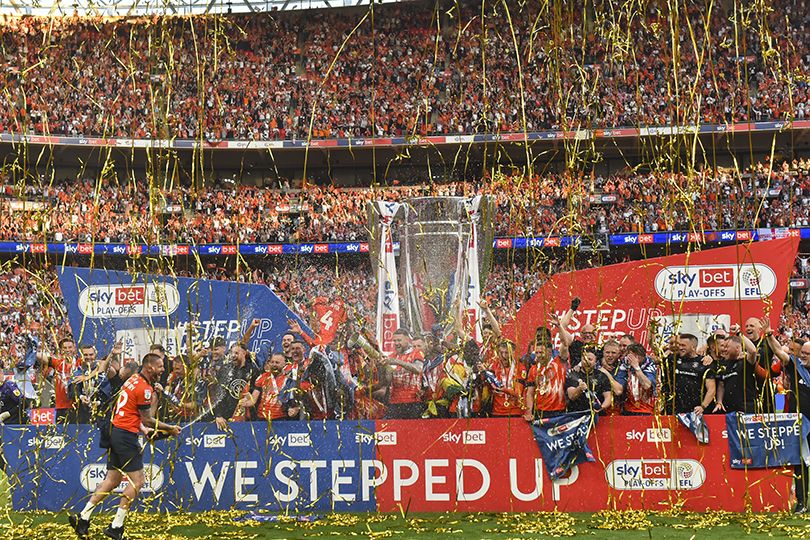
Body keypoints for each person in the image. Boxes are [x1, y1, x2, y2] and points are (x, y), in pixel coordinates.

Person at [69, 353, 181, 540]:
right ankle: (116, 526)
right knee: (137, 482)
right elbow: (146, 418)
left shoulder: (133, 380)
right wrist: (169, 428)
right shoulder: (144, 388)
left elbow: (129, 411)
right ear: (150, 367)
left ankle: (83, 517)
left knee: (112, 480)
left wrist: (144, 429)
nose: (163, 369)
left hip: (115, 431)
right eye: (160, 366)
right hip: (125, 436)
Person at [769, 333, 810, 513]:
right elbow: (779, 351)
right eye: (802, 352)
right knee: (800, 464)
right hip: (801, 424)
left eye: (807, 353)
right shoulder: (795, 366)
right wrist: (769, 334)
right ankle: (801, 503)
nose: (803, 355)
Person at [661, 333, 716, 415]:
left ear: (693, 347)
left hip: (695, 412)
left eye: (683, 345)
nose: (680, 347)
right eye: (679, 345)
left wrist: (703, 406)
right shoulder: (672, 360)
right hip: (674, 411)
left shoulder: (704, 363)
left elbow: (711, 389)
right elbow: (656, 357)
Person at [713, 328, 759, 414]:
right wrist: (719, 401)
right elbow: (721, 384)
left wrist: (739, 333)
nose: (724, 349)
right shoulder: (723, 364)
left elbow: (753, 351)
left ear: (738, 348)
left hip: (746, 410)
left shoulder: (745, 361)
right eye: (723, 346)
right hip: (728, 410)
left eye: (726, 346)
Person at [382, 329, 425, 419]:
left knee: (413, 431)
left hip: (413, 401)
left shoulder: (416, 353)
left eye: (399, 340)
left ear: (407, 340)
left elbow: (418, 369)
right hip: (394, 401)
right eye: (394, 341)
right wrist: (386, 370)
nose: (396, 343)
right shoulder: (391, 356)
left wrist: (398, 362)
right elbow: (388, 381)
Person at [616, 343, 657, 415]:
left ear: (639, 357)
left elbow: (647, 386)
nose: (630, 358)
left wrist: (636, 367)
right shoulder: (625, 363)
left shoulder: (650, 364)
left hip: (647, 409)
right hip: (628, 409)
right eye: (629, 355)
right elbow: (619, 388)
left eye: (632, 356)